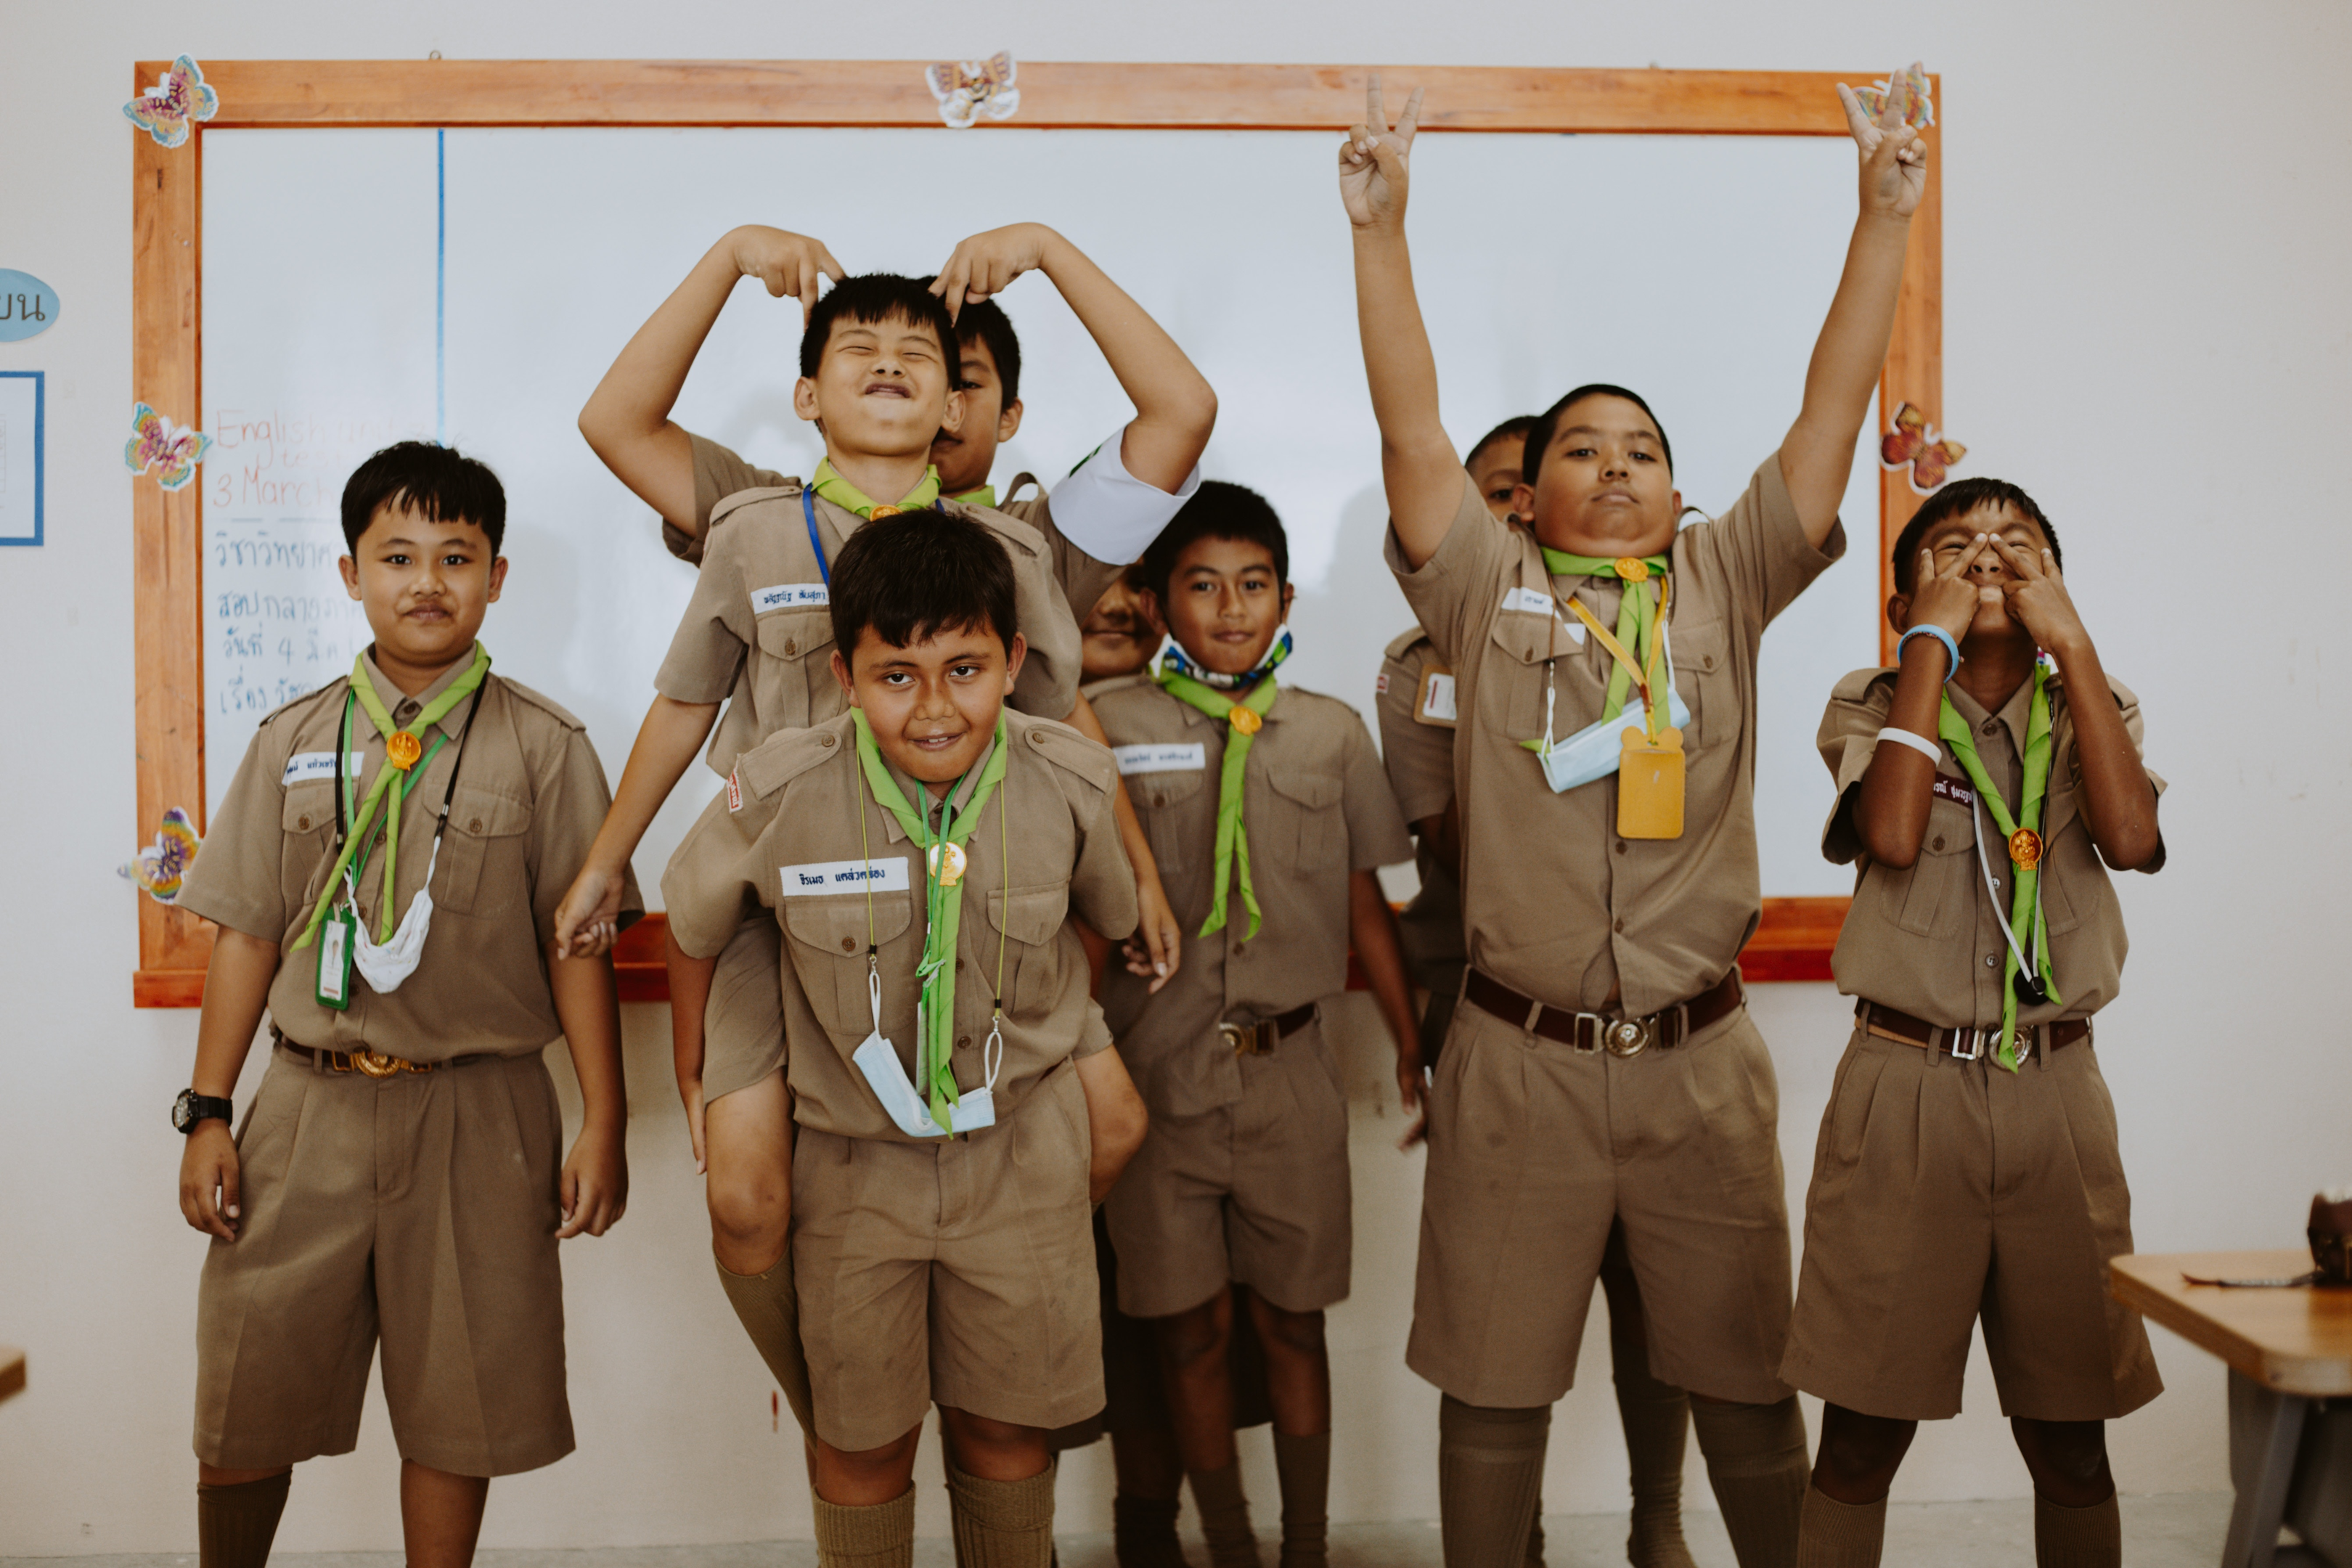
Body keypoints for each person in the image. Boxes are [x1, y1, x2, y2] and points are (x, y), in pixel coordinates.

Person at [1339, 70, 1928, 1568]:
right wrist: (1382, 234)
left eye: (1643, 450)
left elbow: (1827, 418)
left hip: (1697, 1070)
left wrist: (1881, 219)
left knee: (1742, 1393)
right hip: (1518, 1065)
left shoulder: (1725, 581)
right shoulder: (1487, 595)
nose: (1615, 467)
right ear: (1527, 496)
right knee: (1494, 1399)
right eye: (1582, 449)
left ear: (1676, 496)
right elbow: (1413, 436)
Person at [557, 259, 1196, 1430]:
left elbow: (1059, 717)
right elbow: (680, 667)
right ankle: (843, 1398)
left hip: (980, 897)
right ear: (809, 393)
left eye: (932, 360)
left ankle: (979, 1363)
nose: (894, 369)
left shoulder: (1015, 541)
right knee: (746, 1193)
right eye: (860, 351)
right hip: (798, 908)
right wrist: (609, 856)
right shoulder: (754, 518)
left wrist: (1048, 243)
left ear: (969, 406)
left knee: (1107, 1124)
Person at [171, 441, 632, 1568]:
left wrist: (605, 1120)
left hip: (479, 1116)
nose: (427, 581)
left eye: (456, 557)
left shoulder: (547, 747)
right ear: (349, 573)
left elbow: (579, 951)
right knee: (250, 1387)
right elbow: (246, 935)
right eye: (398, 556)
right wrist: (209, 1110)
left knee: (458, 1405)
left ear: (497, 577)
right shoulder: (290, 740)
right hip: (306, 1112)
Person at [660, 509, 1148, 1564]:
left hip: (1019, 1161)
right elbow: (695, 925)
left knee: (1007, 1434)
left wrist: (1062, 1068)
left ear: (1016, 660)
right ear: (844, 674)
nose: (935, 708)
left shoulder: (1069, 779)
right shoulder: (782, 787)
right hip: (853, 1174)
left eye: (966, 668)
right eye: (896, 676)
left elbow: (1098, 926)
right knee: (864, 1448)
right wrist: (694, 1071)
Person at [1784, 478, 2163, 1568]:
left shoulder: (2095, 699)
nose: (1988, 555)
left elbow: (2132, 838)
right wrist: (1927, 651)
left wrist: (2075, 650)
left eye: (2018, 544)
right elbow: (1893, 834)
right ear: (1907, 592)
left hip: (2056, 1094)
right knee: (1860, 1436)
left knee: (2072, 1437)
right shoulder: (1874, 698)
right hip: (1904, 1091)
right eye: (1954, 545)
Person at [1374, 415, 1697, 1568]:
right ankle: (1524, 1536)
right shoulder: (1428, 668)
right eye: (1495, 497)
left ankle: (1657, 1520)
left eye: (1526, 489)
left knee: (1654, 1298)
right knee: (1514, 1317)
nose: (1516, 513)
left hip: (1649, 1004)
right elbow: (1459, 846)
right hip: (1496, 1003)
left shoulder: (1669, 630)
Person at [1091, 481, 1421, 1568]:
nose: (1232, 609)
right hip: (1158, 1083)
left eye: (1254, 585)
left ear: (1283, 598)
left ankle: (1308, 1549)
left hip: (1291, 1077)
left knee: (1293, 1322)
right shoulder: (1108, 730)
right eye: (1202, 585)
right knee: (1186, 1331)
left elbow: (1366, 898)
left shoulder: (1327, 734)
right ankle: (1227, 1545)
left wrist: (1411, 1039)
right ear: (1155, 600)